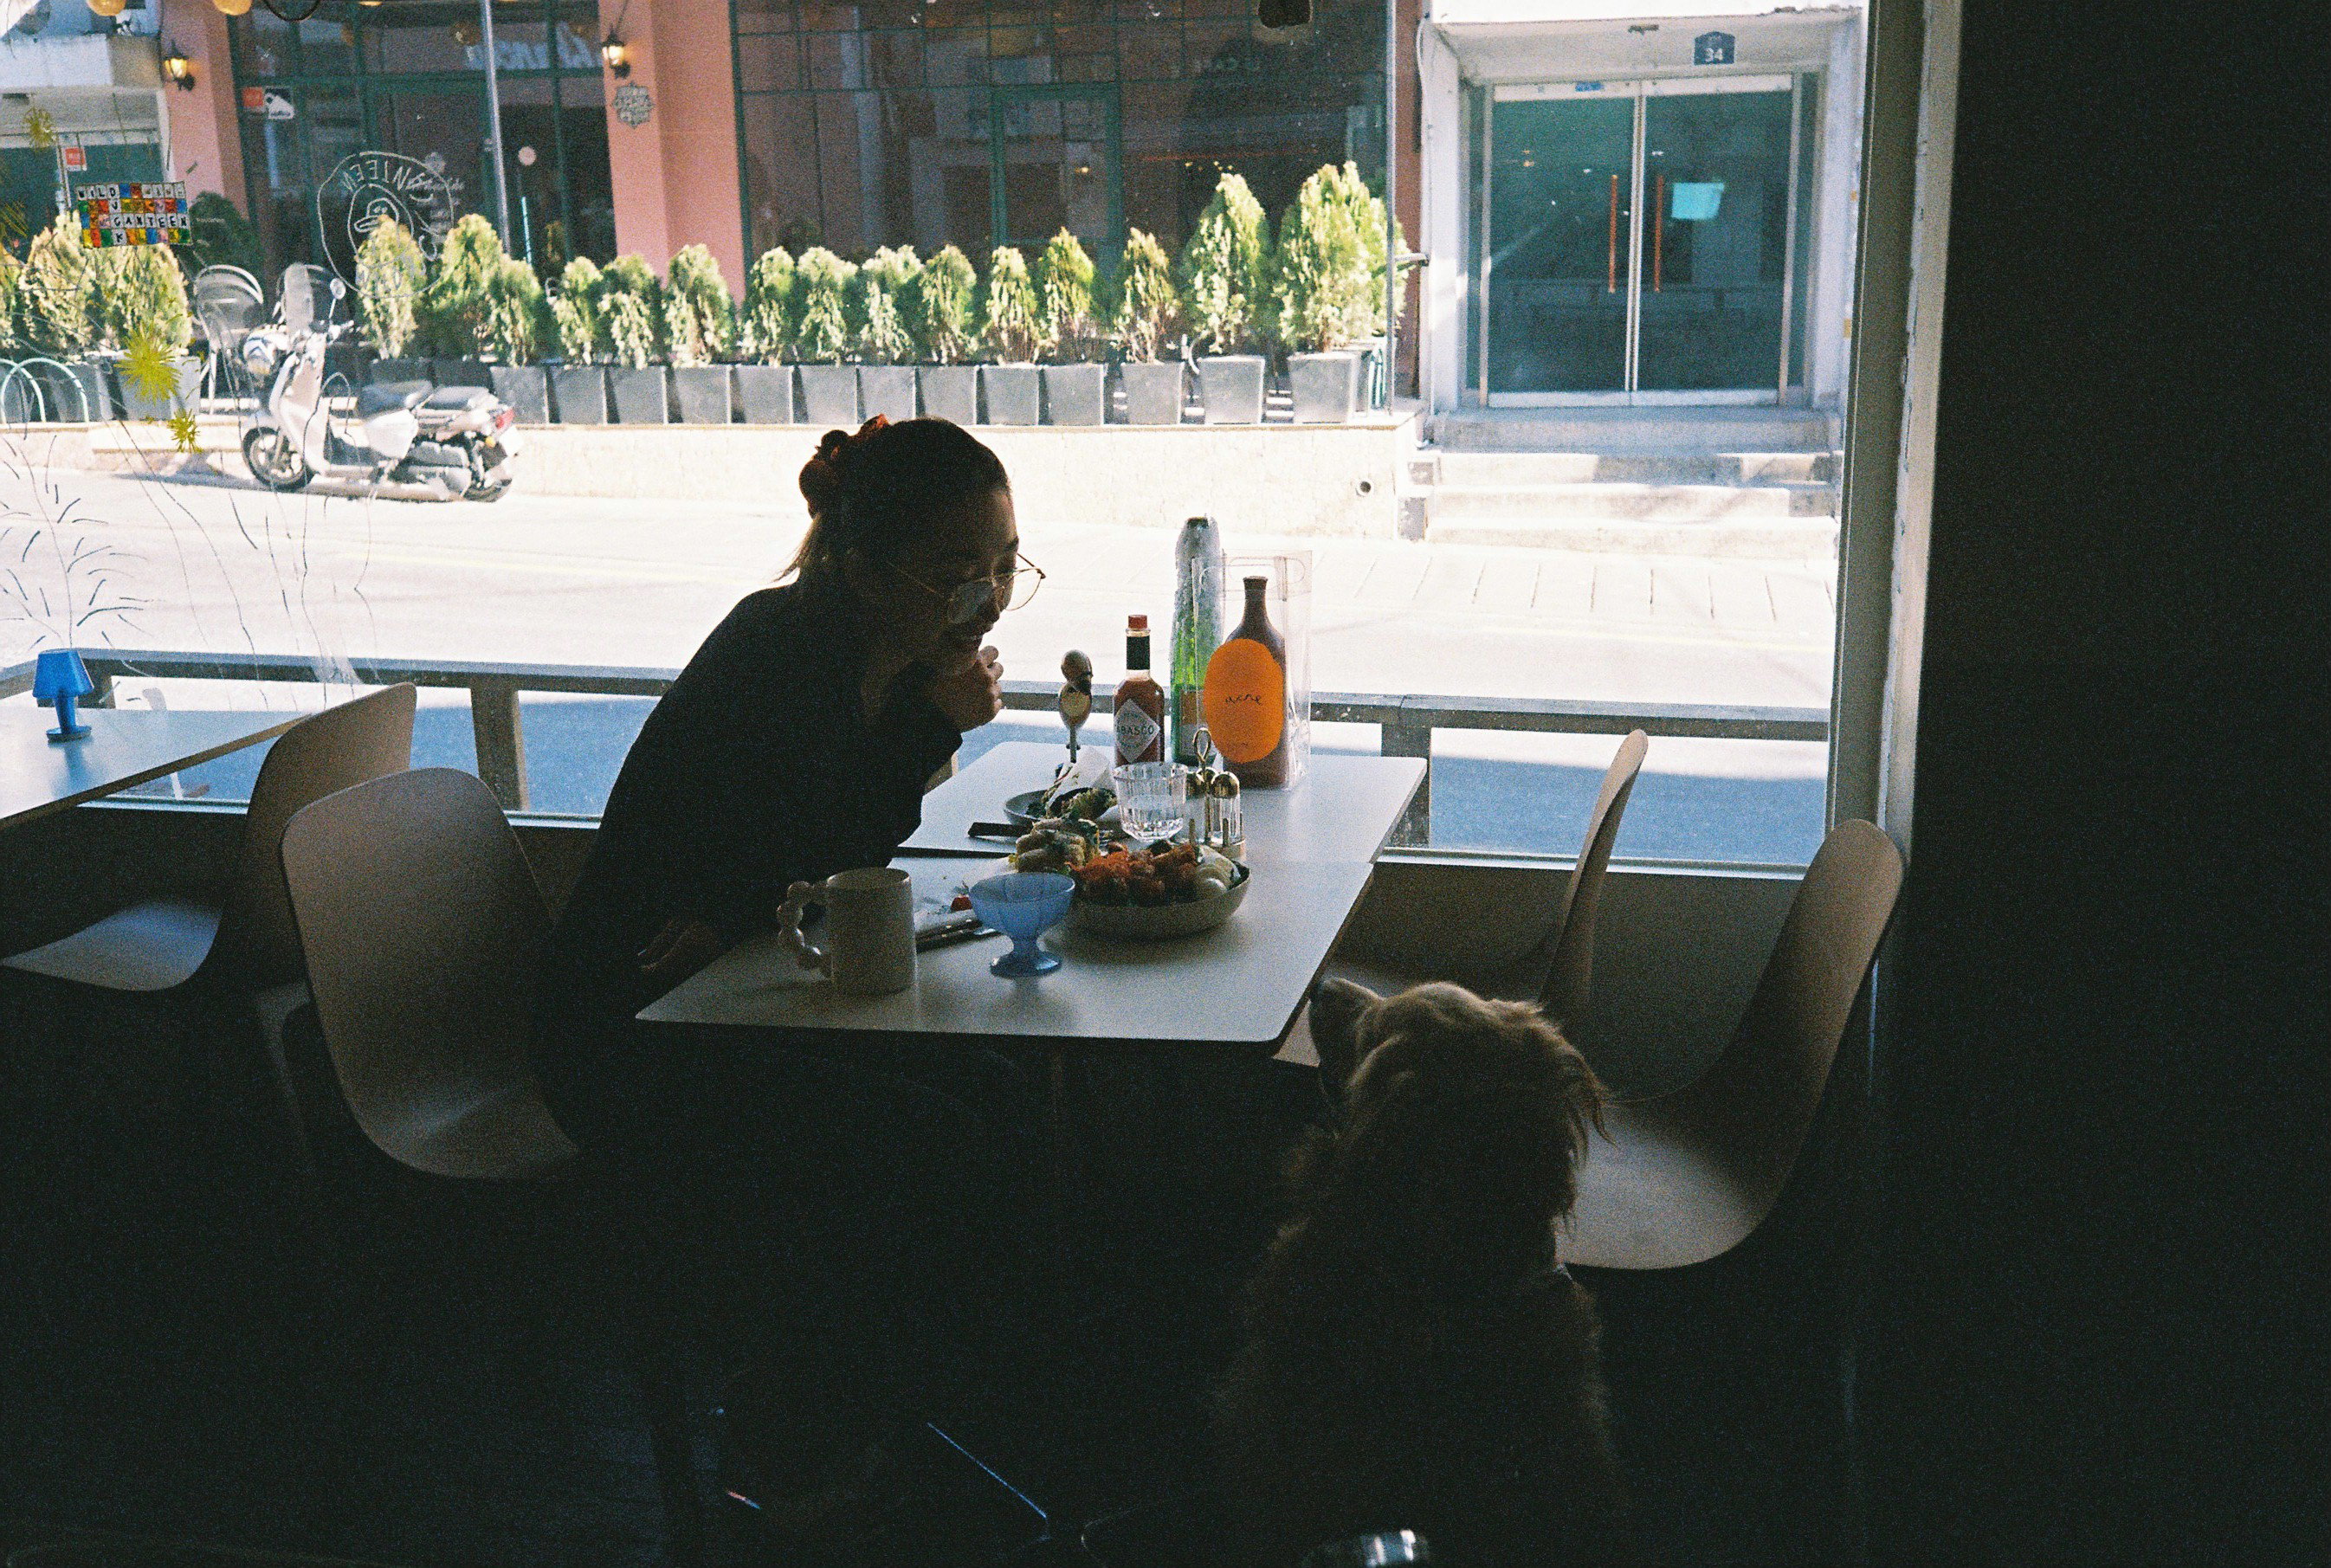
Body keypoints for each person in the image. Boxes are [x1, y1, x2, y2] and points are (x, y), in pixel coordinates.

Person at [532, 416, 1036, 1501]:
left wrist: (924, 717)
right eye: (956, 571)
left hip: (740, 991)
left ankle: (894, 1403)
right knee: (932, 1136)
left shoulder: (882, 657)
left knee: (998, 1087)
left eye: (1003, 565)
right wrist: (932, 729)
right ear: (864, 568)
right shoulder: (780, 657)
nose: (986, 600)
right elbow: (806, 864)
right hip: (631, 1030)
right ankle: (808, 1435)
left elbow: (800, 876)